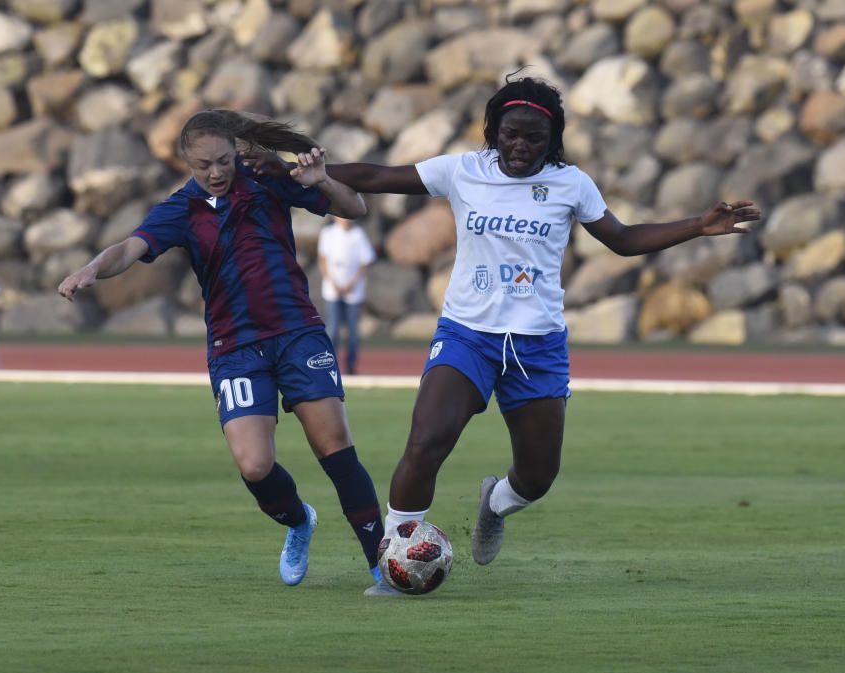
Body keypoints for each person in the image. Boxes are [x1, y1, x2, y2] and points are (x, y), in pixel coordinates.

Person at [295, 75, 761, 594]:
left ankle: (495, 504)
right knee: (427, 441)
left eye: (535, 138)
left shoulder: (572, 184)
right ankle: (393, 564)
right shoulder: (462, 171)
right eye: (511, 134)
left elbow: (625, 240)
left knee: (538, 477)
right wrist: (309, 174)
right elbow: (376, 176)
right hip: (467, 334)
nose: (521, 146)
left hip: (537, 346)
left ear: (552, 139)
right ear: (493, 132)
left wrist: (698, 224)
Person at [57, 109, 388, 591]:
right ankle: (299, 521)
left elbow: (353, 208)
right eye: (202, 165)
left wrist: (323, 181)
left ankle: (382, 565)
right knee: (254, 465)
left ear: (238, 151)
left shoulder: (267, 179)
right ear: (187, 163)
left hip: (297, 332)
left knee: (334, 447)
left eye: (223, 160)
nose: (215, 172)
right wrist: (92, 268)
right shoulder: (180, 209)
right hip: (234, 348)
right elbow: (130, 248)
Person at [317, 216, 376, 374]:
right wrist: (333, 282)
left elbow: (365, 261)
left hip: (353, 291)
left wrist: (352, 283)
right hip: (332, 290)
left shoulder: (358, 234)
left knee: (352, 331)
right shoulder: (328, 233)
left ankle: (351, 366)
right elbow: (322, 260)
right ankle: (330, 365)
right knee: (333, 328)